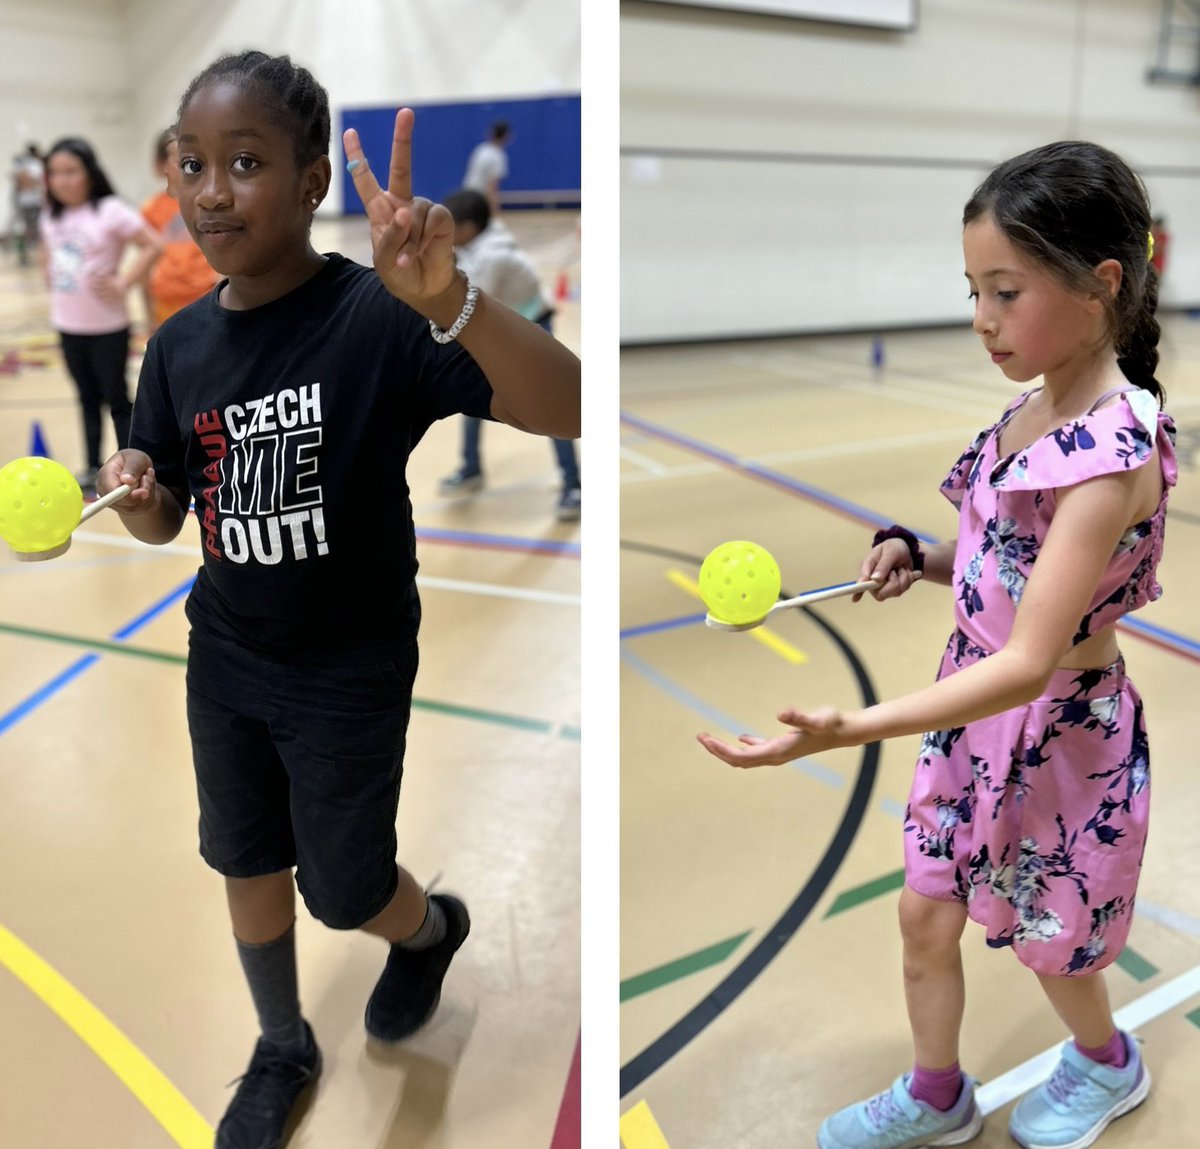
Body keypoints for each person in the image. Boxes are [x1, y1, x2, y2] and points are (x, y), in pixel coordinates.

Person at [94, 51, 580, 1149]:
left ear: (314, 180)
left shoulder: (378, 316)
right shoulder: (178, 345)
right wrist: (140, 495)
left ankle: (430, 930)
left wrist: (450, 301)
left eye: (246, 162)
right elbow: (168, 511)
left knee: (346, 890)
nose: (211, 191)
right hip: (227, 653)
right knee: (244, 856)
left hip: (349, 665)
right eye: (191, 164)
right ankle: (281, 1044)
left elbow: (571, 406)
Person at [698, 140, 1174, 1149]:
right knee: (925, 910)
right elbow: (1011, 557)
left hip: (1060, 733)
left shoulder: (1110, 454)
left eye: (1006, 291)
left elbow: (1030, 659)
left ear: (1101, 282)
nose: (982, 319)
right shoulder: (1032, 410)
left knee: (1056, 945)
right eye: (973, 291)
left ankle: (1107, 1062)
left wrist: (850, 727)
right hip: (973, 713)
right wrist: (921, 556)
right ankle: (937, 1090)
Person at [437, 188, 580, 519]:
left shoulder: (491, 257)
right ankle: (471, 467)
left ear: (469, 227)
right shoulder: (477, 243)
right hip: (507, 319)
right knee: (470, 401)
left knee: (548, 407)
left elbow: (468, 308)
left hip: (532, 325)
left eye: (451, 225)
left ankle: (574, 485)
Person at [40, 137, 163, 489]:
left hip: (108, 327)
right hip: (68, 325)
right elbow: (47, 251)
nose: (61, 181)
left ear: (89, 173)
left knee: (116, 400)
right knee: (86, 399)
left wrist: (123, 283)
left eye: (70, 171)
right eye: (54, 173)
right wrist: (47, 270)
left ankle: (129, 470)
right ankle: (92, 465)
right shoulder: (51, 215)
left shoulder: (110, 210)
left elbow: (153, 245)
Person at [140, 126, 218, 334]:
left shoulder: (210, 202)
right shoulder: (151, 209)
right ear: (160, 166)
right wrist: (148, 312)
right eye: (181, 161)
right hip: (166, 301)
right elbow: (145, 265)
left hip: (206, 295)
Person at [462, 119, 510, 218]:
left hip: (467, 194)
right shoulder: (497, 156)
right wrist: (493, 210)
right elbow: (492, 185)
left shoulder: (481, 149)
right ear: (506, 136)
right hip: (480, 200)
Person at [11, 143, 44, 266]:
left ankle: (27, 256)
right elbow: (31, 182)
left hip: (26, 202)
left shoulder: (21, 165)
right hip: (31, 202)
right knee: (28, 230)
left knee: (28, 230)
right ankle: (24, 256)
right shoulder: (35, 165)